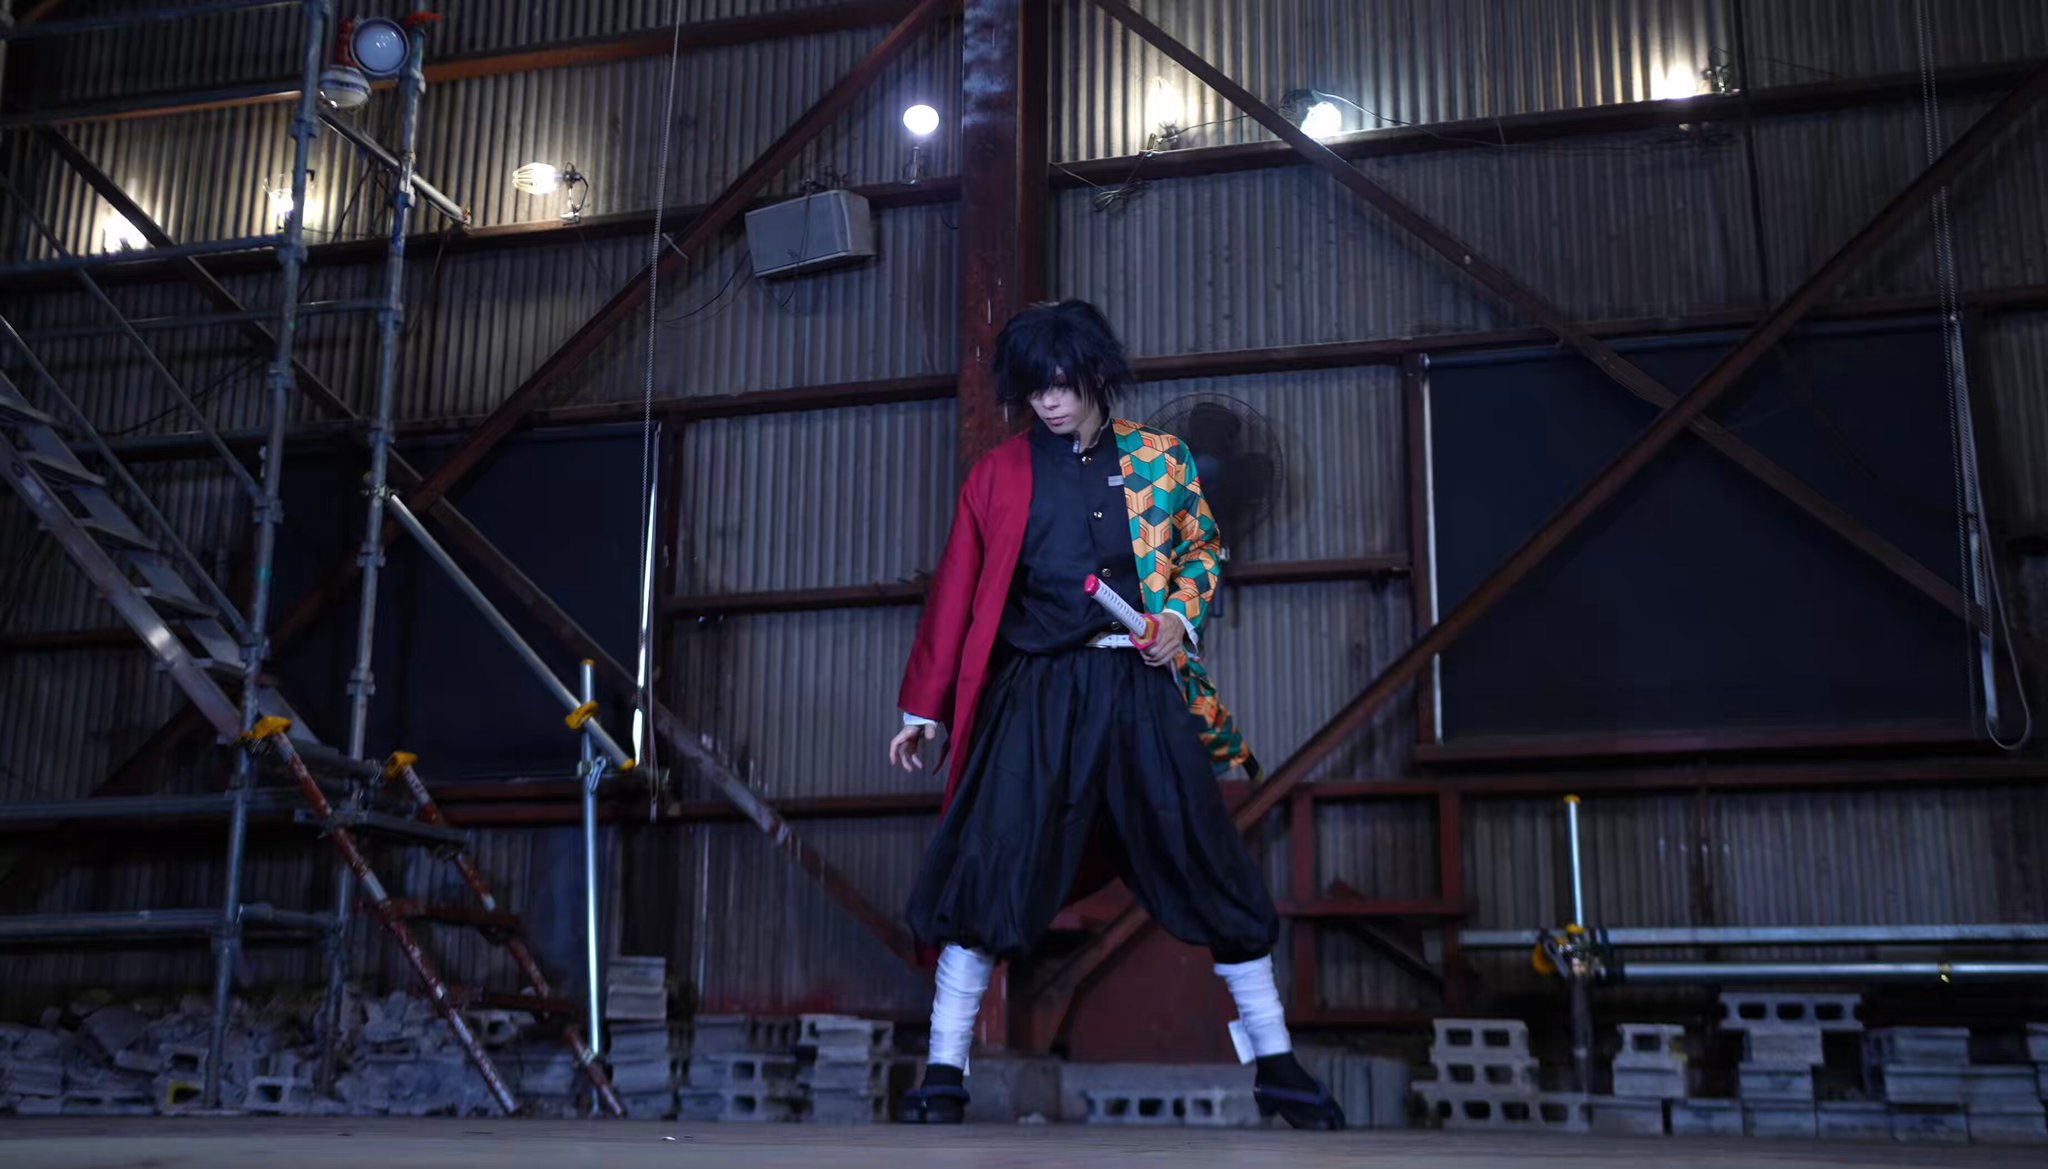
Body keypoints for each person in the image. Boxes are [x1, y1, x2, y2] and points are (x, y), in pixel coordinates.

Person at [886, 299, 1343, 1130]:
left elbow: (1203, 548)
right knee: (988, 861)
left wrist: (1177, 618)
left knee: (1205, 854)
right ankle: (945, 1070)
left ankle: (1276, 1065)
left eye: (1062, 384)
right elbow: (955, 591)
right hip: (1033, 697)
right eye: (1035, 389)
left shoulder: (1162, 460)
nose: (1049, 402)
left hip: (1137, 689)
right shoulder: (998, 477)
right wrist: (926, 708)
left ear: (1097, 375)